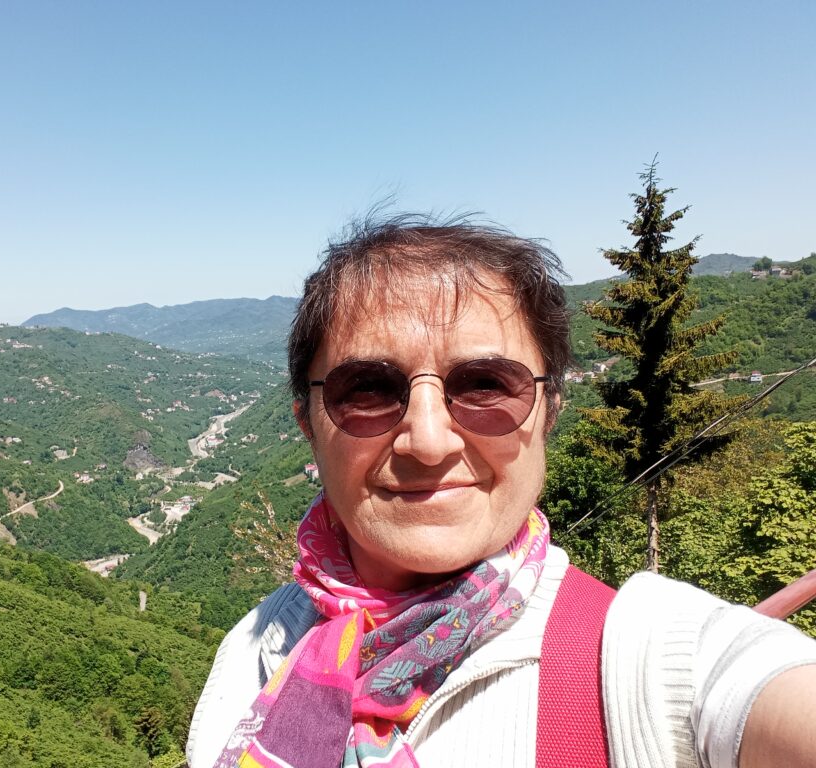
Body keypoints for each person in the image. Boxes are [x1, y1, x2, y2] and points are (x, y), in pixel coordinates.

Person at [186, 215, 816, 768]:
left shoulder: (646, 662)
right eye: (369, 389)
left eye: (486, 384)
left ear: (548, 409)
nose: (428, 441)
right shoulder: (252, 651)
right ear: (307, 422)